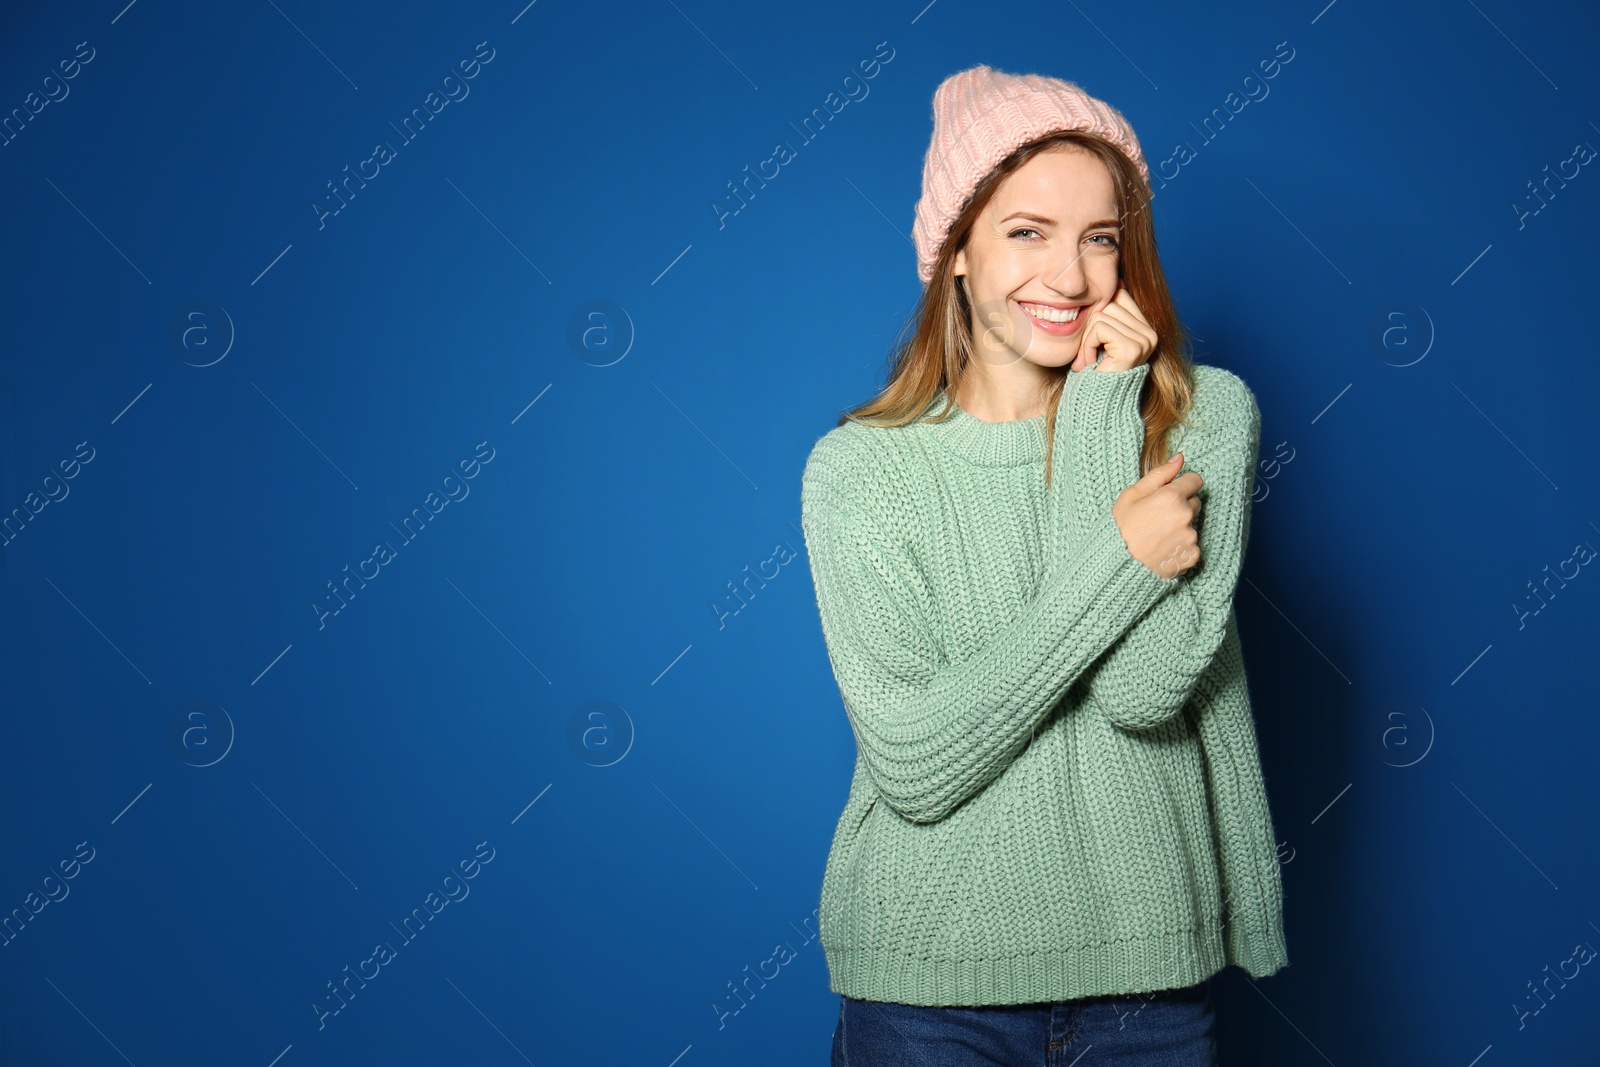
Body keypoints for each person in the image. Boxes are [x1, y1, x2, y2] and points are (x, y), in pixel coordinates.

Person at [799, 65, 1289, 1065]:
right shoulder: (862, 468)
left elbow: (1141, 691)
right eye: (1026, 231)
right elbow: (915, 762)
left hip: (1142, 990)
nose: (1068, 278)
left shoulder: (1205, 420)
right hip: (924, 989)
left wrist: (1107, 416)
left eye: (1098, 237)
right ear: (958, 253)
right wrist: (1123, 556)